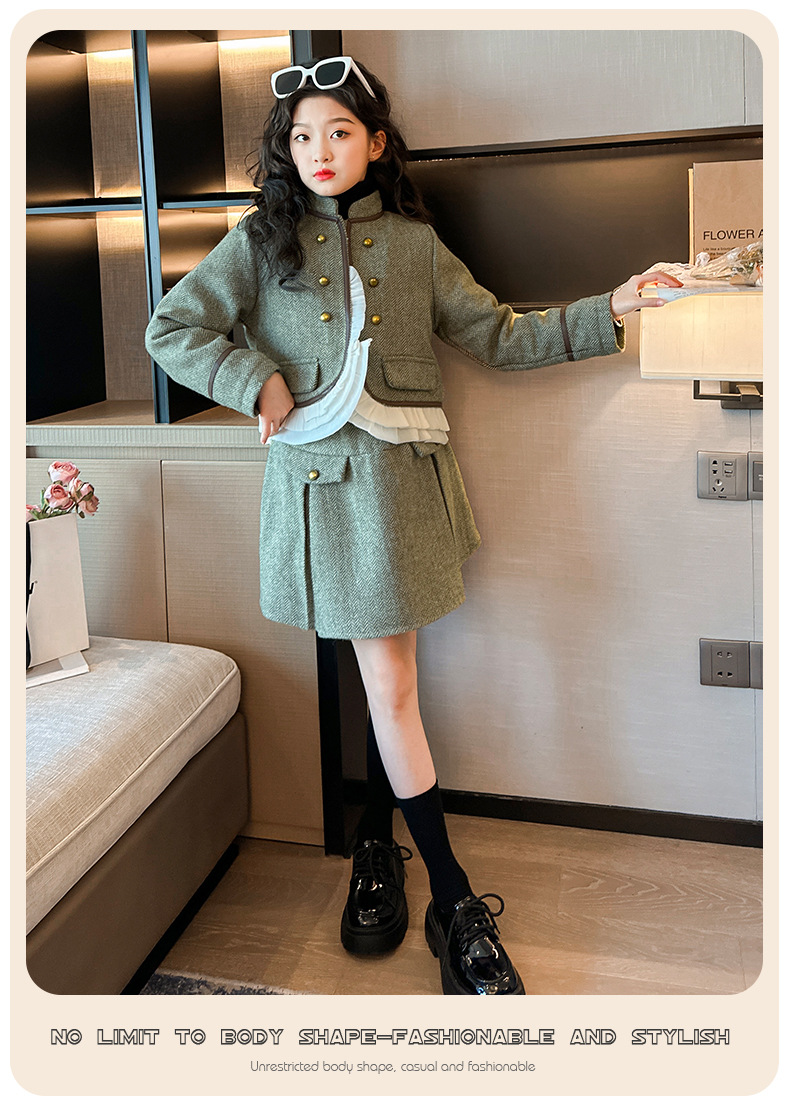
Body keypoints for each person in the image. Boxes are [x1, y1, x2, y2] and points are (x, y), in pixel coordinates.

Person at [145, 55, 680, 996]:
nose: (319, 150)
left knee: (385, 683)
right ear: (285, 149)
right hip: (323, 497)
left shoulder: (415, 246)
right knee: (389, 686)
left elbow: (500, 337)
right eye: (301, 136)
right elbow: (171, 329)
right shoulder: (259, 241)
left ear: (376, 142)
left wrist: (616, 305)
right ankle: (451, 896)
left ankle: (378, 847)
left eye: (339, 132)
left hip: (405, 496)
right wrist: (255, 381)